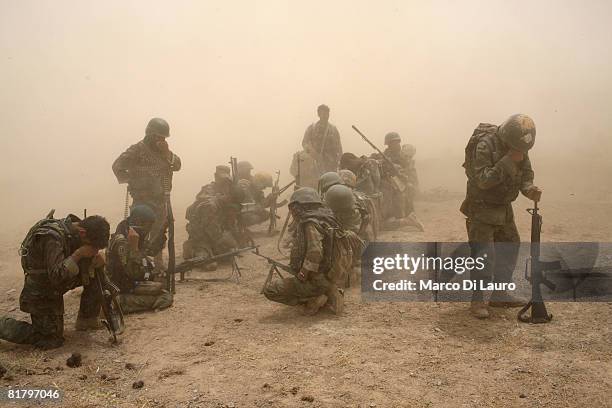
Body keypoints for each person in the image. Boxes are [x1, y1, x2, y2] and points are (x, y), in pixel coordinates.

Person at [460, 114, 542, 318]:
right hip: (481, 208)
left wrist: (529, 189)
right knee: (483, 256)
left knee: (510, 248)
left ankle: (499, 294)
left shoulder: (519, 145)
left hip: (504, 209)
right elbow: (482, 180)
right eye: (517, 149)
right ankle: (477, 300)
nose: (521, 153)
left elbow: (526, 175)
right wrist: (507, 161)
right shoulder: (485, 145)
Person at [0, 213, 110, 349]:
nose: (93, 250)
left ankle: (87, 319)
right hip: (42, 289)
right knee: (50, 339)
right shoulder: (51, 238)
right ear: (82, 233)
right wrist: (79, 254)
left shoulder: (79, 231)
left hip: (57, 283)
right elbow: (56, 276)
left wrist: (97, 259)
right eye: (92, 247)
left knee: (96, 270)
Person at [263, 188, 358, 315]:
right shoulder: (327, 218)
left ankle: (315, 299)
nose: (293, 211)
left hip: (317, 279)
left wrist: (303, 273)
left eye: (295, 207)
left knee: (270, 290)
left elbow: (315, 252)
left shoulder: (310, 223)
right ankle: (328, 291)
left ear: (302, 206)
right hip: (333, 275)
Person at [112, 117, 181, 271]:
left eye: (163, 137)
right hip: (143, 200)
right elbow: (117, 166)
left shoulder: (165, 152)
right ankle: (136, 265)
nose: (161, 140)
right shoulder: (137, 149)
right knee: (140, 232)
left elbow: (177, 165)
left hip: (161, 198)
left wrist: (167, 152)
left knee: (160, 231)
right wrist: (134, 179)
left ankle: (157, 264)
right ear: (150, 134)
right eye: (158, 136)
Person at [106, 205, 173, 314]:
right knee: (165, 296)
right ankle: (120, 303)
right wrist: (134, 248)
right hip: (121, 287)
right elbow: (133, 272)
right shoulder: (122, 242)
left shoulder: (132, 234)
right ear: (139, 222)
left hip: (128, 284)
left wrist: (163, 229)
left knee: (163, 286)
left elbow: (150, 250)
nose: (149, 230)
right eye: (148, 226)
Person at [183, 165, 246, 271]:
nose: (225, 184)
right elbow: (211, 226)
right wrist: (222, 240)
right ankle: (191, 249)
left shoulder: (228, 192)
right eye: (223, 180)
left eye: (227, 181)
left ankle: (213, 251)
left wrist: (234, 239)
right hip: (202, 236)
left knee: (231, 250)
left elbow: (230, 220)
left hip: (216, 233)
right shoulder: (209, 191)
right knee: (210, 264)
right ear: (216, 177)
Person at [374, 132, 424, 231]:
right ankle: (402, 218)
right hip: (391, 185)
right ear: (388, 144)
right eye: (393, 142)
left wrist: (403, 175)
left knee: (406, 190)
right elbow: (378, 162)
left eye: (397, 142)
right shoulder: (384, 156)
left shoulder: (403, 156)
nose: (396, 145)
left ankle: (407, 217)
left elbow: (410, 174)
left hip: (402, 187)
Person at [302, 104, 342, 174]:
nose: (325, 115)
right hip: (315, 165)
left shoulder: (333, 129)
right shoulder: (312, 128)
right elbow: (304, 143)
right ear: (318, 114)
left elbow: (339, 147)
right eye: (323, 113)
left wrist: (339, 161)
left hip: (331, 165)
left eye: (327, 113)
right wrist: (312, 153)